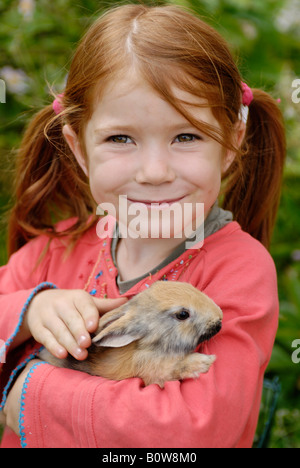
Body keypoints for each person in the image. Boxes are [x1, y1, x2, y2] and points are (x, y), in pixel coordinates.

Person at [0, 3, 285, 448]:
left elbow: (189, 431)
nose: (154, 171)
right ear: (78, 148)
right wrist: (29, 311)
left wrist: (22, 393)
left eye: (186, 136)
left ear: (231, 143)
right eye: (120, 138)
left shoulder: (239, 270)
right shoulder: (54, 250)